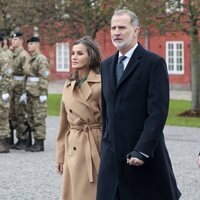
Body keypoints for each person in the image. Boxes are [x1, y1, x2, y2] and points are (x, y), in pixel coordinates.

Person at [96, 9, 181, 200]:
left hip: (141, 155)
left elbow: (158, 113)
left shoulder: (153, 63)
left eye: (122, 27)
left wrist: (142, 149)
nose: (116, 32)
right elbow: (107, 111)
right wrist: (105, 142)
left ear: (136, 30)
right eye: (113, 28)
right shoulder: (106, 66)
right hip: (111, 156)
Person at [55, 36, 102, 200]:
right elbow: (63, 124)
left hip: (94, 144)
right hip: (72, 145)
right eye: (73, 53)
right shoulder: (69, 83)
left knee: (91, 192)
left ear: (91, 56)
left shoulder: (100, 84)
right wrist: (59, 156)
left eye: (80, 53)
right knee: (72, 193)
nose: (74, 57)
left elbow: (110, 121)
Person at [25, 36, 50, 152]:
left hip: (38, 93)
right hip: (30, 93)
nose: (29, 46)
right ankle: (35, 141)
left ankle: (40, 143)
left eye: (31, 44)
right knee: (31, 117)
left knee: (39, 118)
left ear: (37, 45)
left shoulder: (41, 59)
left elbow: (44, 77)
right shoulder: (30, 58)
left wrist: (43, 93)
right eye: (28, 44)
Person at [10, 32, 30, 150]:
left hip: (20, 88)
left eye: (16, 39)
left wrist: (24, 91)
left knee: (21, 114)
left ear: (21, 41)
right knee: (14, 114)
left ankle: (24, 138)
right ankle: (19, 137)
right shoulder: (14, 54)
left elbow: (26, 73)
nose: (14, 41)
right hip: (13, 87)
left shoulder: (23, 55)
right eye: (12, 39)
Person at [0, 35, 13, 153]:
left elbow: (6, 77)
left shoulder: (4, 57)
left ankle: (4, 143)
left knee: (3, 117)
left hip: (2, 92)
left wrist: (5, 92)